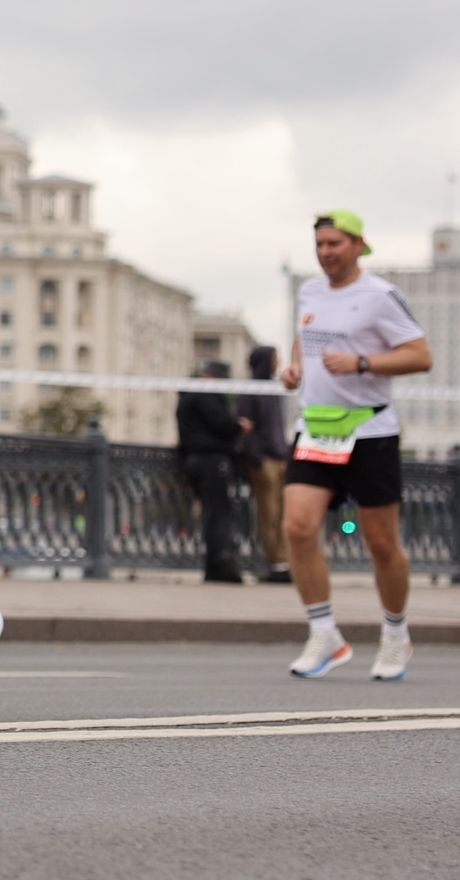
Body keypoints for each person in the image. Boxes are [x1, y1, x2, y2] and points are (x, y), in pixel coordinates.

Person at [280, 210, 432, 680]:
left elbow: (420, 355)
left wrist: (362, 362)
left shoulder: (380, 295)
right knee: (298, 528)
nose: (326, 252)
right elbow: (306, 337)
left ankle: (395, 634)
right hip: (317, 428)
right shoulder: (309, 290)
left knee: (381, 542)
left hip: (370, 431)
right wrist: (296, 367)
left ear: (358, 245)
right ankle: (324, 633)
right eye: (320, 244)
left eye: (335, 244)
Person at [177, 360, 245, 583]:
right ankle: (221, 564)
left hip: (192, 459)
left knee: (210, 513)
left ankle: (212, 568)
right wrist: (238, 427)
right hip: (212, 460)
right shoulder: (206, 394)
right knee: (219, 513)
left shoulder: (187, 395)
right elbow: (221, 423)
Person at [242, 344, 294, 582]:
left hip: (280, 458)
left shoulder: (275, 389)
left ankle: (287, 562)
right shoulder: (250, 390)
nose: (278, 362)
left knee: (284, 514)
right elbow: (246, 428)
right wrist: (258, 458)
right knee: (269, 514)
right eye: (275, 358)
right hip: (265, 461)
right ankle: (277, 563)